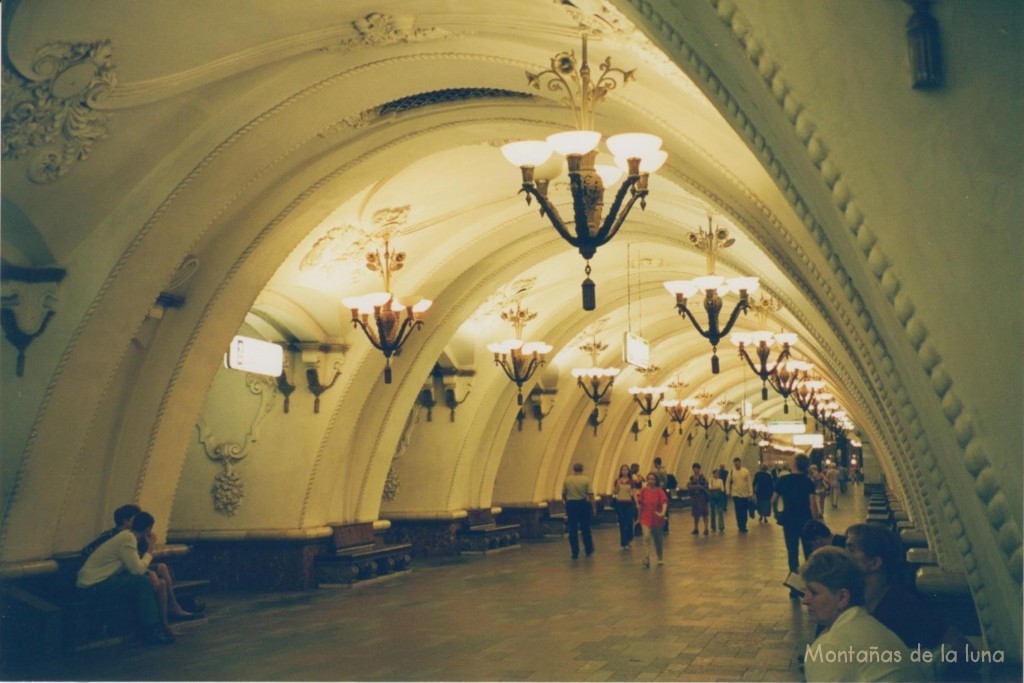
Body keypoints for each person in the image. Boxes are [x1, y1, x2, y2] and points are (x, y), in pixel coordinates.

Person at [800, 547, 929, 682]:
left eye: (814, 593)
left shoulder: (830, 647)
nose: (805, 600)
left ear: (842, 597)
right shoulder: (869, 625)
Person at [845, 524, 961, 654]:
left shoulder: (899, 605)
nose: (843, 555)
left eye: (851, 550)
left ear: (875, 563)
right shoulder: (866, 598)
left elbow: (959, 646)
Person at [82, 503, 196, 624]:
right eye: (135, 518)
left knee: (161, 568)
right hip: (109, 575)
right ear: (125, 521)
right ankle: (157, 624)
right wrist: (148, 570)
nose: (137, 522)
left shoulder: (134, 536)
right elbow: (89, 551)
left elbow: (134, 561)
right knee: (151, 582)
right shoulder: (114, 536)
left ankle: (172, 606)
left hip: (125, 569)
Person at [76, 512, 175, 645]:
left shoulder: (126, 537)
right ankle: (151, 630)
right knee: (142, 582)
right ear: (148, 529)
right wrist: (150, 548)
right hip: (94, 585)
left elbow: (132, 566)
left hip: (96, 582)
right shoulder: (127, 539)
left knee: (143, 582)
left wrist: (149, 571)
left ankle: (154, 627)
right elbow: (137, 570)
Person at [772, 454, 820, 597]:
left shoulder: (783, 480)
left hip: (789, 521)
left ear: (794, 465)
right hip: (805, 521)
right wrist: (815, 521)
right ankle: (810, 586)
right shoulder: (808, 482)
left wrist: (776, 512)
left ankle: (794, 588)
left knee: (792, 553)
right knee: (809, 554)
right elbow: (813, 504)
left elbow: (773, 500)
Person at [562, 463, 595, 559]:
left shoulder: (567, 480)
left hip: (571, 505)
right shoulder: (586, 480)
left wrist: (566, 504)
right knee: (585, 528)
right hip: (583, 504)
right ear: (582, 469)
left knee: (573, 529)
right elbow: (590, 495)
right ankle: (588, 549)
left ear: (573, 469)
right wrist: (593, 507)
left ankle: (575, 551)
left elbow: (563, 494)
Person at [635, 472, 668, 568]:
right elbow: (640, 505)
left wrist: (663, 513)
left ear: (656, 480)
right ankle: (646, 559)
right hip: (645, 518)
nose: (651, 481)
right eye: (649, 479)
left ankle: (660, 557)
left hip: (657, 519)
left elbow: (664, 502)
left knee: (658, 540)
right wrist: (638, 518)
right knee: (646, 537)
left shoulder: (659, 491)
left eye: (653, 479)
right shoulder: (644, 491)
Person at [611, 464, 636, 551]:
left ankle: (629, 538)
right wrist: (617, 485)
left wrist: (636, 503)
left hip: (629, 503)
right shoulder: (617, 480)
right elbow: (614, 492)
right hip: (620, 503)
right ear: (621, 471)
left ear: (628, 471)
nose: (624, 471)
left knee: (629, 522)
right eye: (623, 470)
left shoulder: (631, 481)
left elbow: (634, 492)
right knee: (622, 523)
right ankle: (624, 542)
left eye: (626, 470)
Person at [727, 457, 753, 533]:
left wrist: (750, 493)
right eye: (735, 463)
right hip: (736, 495)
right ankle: (740, 525)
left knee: (744, 511)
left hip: (745, 495)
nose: (737, 464)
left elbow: (749, 482)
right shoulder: (731, 472)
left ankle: (744, 524)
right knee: (738, 510)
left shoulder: (746, 471)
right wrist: (728, 492)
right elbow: (728, 482)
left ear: (740, 462)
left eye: (738, 462)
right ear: (734, 463)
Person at [686, 463, 710, 536]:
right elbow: (688, 485)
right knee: (696, 513)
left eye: (697, 468)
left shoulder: (703, 477)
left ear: (699, 469)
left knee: (704, 513)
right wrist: (693, 487)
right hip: (695, 497)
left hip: (702, 497)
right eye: (694, 468)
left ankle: (706, 528)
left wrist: (700, 487)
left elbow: (706, 485)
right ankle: (696, 528)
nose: (695, 470)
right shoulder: (691, 478)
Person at [652, 457, 670, 532]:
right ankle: (664, 526)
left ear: (656, 463)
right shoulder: (663, 470)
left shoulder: (660, 472)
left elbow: (664, 482)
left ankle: (663, 526)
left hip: (661, 491)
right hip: (663, 491)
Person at [708, 469, 727, 533]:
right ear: (713, 474)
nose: (718, 474)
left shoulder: (720, 480)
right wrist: (717, 488)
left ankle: (721, 526)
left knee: (720, 511)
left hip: (719, 496)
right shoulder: (711, 480)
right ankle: (713, 526)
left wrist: (715, 488)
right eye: (716, 473)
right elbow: (710, 487)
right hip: (713, 496)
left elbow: (722, 489)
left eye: (718, 473)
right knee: (712, 511)